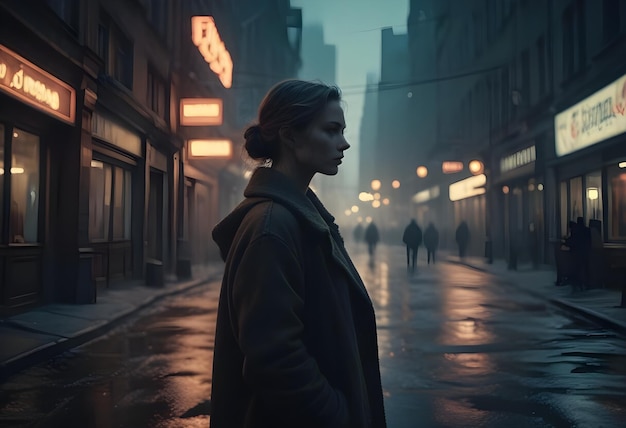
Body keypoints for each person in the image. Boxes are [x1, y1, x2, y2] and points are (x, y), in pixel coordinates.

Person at [210, 80, 387, 428]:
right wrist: (337, 414)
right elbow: (275, 359)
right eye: (331, 130)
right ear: (290, 135)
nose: (344, 142)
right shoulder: (273, 227)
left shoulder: (294, 218)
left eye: (343, 130)